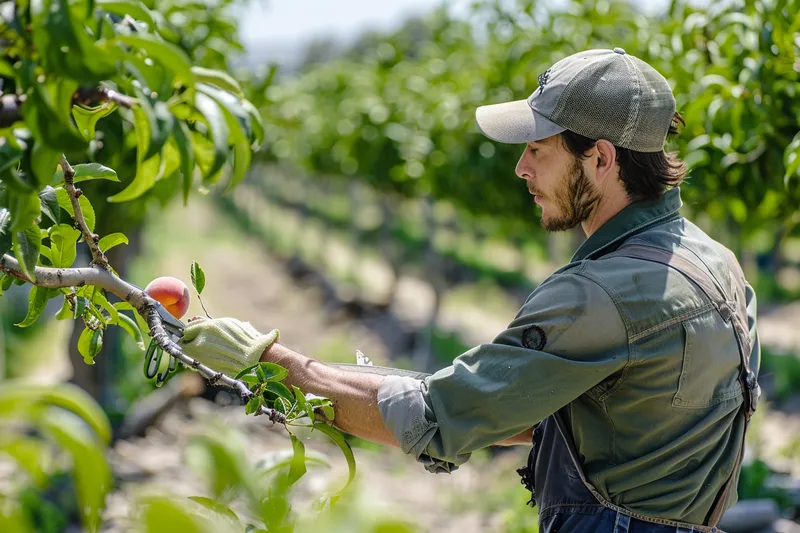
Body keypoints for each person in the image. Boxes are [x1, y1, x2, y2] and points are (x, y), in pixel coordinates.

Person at [178, 48, 760, 533]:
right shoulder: (717, 266)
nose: (520, 169)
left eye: (538, 149)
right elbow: (554, 414)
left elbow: (438, 419)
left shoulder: (600, 296)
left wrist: (270, 363)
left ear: (601, 158)